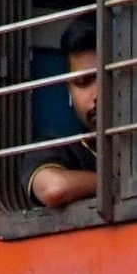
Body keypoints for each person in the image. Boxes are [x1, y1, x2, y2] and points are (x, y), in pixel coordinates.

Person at [25, 17, 99, 209]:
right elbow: (54, 188)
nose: (97, 94)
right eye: (83, 83)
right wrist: (119, 183)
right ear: (69, 92)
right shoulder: (59, 150)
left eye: (107, 77)